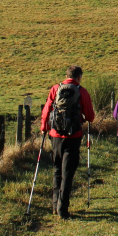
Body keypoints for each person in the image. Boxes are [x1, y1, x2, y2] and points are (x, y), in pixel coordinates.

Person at [40, 65, 96, 219]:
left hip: (55, 136)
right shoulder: (81, 91)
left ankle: (54, 204)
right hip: (73, 136)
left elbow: (46, 110)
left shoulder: (55, 89)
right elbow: (90, 116)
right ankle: (62, 209)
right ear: (79, 77)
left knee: (57, 169)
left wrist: (44, 127)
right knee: (68, 173)